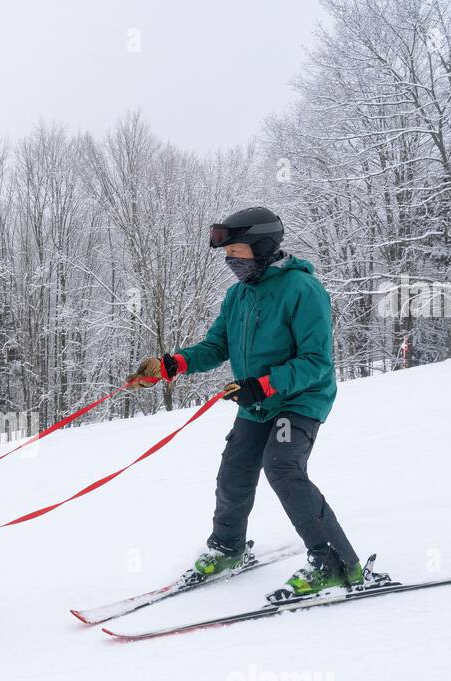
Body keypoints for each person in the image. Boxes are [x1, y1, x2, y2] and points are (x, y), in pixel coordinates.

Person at [127, 206, 361, 599]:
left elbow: (316, 362)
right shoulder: (237, 296)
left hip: (300, 400)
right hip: (257, 402)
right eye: (228, 253)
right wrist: (174, 363)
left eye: (237, 251)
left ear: (263, 247)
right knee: (234, 469)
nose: (229, 260)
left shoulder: (303, 291)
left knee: (282, 466)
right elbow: (218, 345)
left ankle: (335, 562)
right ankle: (227, 548)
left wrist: (265, 385)